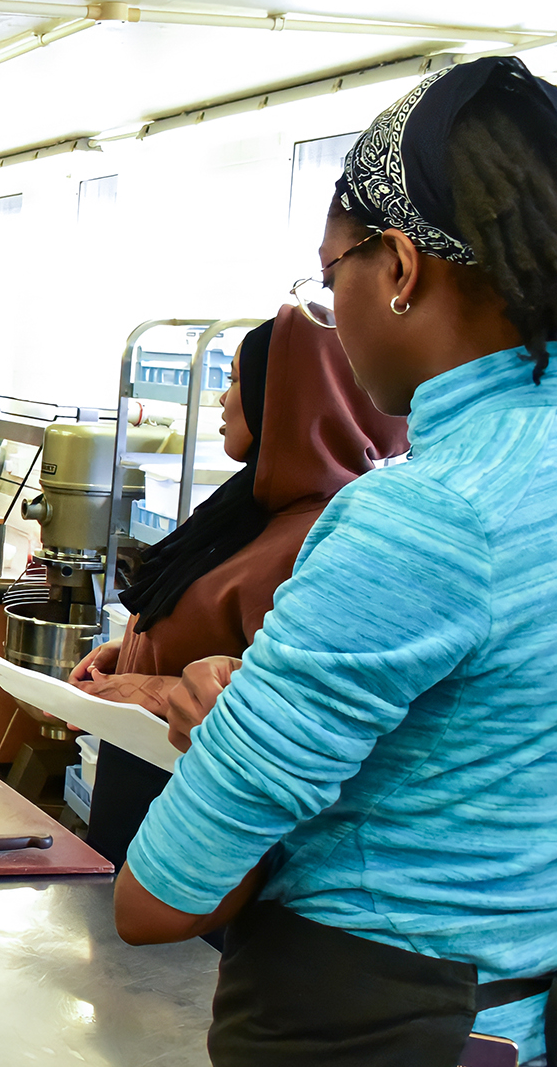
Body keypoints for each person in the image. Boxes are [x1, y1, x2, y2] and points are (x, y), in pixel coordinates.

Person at [116, 57, 557, 1067]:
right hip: (519, 1054)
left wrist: (225, 732)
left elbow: (161, 895)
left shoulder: (426, 513)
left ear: (400, 268)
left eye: (332, 276)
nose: (332, 313)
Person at [69, 306, 406, 868]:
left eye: (234, 382)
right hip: (141, 780)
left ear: (288, 398)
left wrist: (148, 690)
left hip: (200, 825)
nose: (223, 401)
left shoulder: (326, 536)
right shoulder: (252, 506)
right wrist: (136, 649)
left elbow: (287, 709)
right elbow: (218, 627)